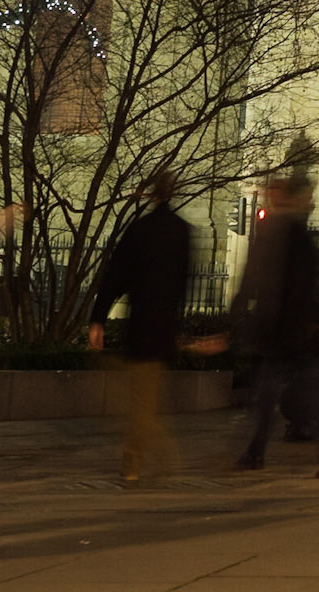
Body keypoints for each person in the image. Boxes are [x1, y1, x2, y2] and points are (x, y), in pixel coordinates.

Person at [230, 173, 319, 478]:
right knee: (272, 397)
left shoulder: (290, 236)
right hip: (279, 328)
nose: (271, 198)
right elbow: (254, 274)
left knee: (292, 396)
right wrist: (241, 302)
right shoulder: (275, 232)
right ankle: (259, 453)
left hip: (288, 329)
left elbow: (299, 282)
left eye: (276, 193)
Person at [87, 169, 191, 483]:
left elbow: (115, 275)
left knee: (141, 401)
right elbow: (183, 283)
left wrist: (98, 318)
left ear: (151, 194)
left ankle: (139, 462)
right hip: (163, 327)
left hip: (141, 325)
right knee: (144, 396)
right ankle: (149, 458)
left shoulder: (140, 229)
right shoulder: (181, 232)